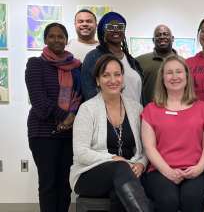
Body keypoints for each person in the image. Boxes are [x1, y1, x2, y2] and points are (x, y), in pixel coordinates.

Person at [70, 54, 151, 212]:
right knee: (120, 169)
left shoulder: (136, 109)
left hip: (128, 172)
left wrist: (142, 163)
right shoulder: (87, 109)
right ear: (97, 80)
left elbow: (146, 148)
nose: (113, 80)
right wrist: (114, 159)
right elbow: (81, 153)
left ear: (123, 77)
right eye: (106, 75)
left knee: (120, 189)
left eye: (117, 74)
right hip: (89, 173)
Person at [141, 55, 204, 212]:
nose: (174, 77)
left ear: (187, 76)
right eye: (169, 72)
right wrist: (168, 172)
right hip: (160, 171)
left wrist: (199, 168)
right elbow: (149, 147)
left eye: (179, 72)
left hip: (197, 171)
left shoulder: (202, 107)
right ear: (162, 78)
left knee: (191, 199)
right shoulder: (150, 110)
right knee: (168, 200)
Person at [25, 22, 81, 212]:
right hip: (43, 133)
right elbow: (39, 100)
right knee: (49, 185)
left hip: (69, 134)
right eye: (52, 36)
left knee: (65, 185)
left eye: (61, 36)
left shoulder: (75, 67)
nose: (57, 39)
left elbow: (79, 95)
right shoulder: (35, 64)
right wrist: (66, 116)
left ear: (66, 40)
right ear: (46, 39)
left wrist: (71, 118)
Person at [81, 11, 143, 103]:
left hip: (136, 113)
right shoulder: (93, 57)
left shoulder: (132, 61)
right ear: (103, 31)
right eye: (110, 27)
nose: (116, 30)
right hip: (107, 115)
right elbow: (89, 93)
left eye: (120, 27)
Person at [136, 24, 177, 106]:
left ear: (172, 38)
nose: (162, 37)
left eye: (165, 34)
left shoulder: (183, 63)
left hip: (177, 112)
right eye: (158, 35)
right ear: (153, 40)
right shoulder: (139, 61)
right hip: (148, 112)